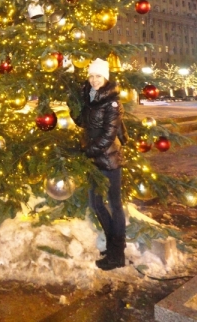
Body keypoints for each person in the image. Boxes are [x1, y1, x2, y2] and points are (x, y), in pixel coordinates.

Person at [75, 58, 128, 270]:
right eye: (91, 76)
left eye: (98, 76)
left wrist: (88, 151)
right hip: (94, 159)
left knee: (115, 205)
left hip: (109, 160)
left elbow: (108, 135)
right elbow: (83, 122)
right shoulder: (91, 98)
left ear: (105, 78)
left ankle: (118, 254)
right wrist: (73, 108)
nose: (94, 80)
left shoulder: (112, 102)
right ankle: (112, 245)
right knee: (95, 203)